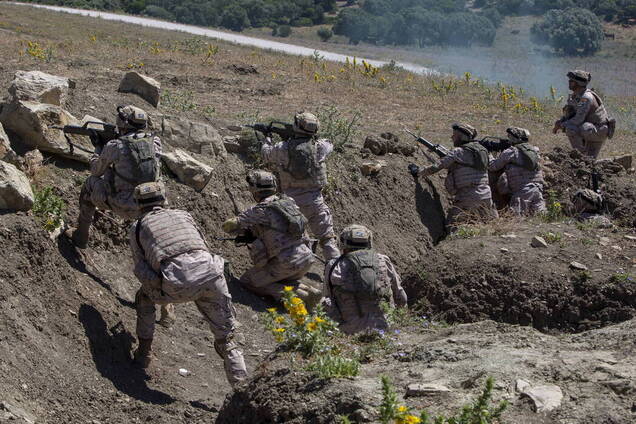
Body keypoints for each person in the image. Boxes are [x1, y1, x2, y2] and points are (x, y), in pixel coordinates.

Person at [130, 182, 247, 385]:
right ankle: (242, 387)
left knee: (143, 298)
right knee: (226, 338)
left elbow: (141, 267)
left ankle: (144, 353)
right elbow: (203, 245)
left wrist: (158, 285)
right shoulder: (184, 215)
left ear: (138, 204)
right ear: (164, 199)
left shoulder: (138, 226)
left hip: (176, 283)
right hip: (211, 274)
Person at [67, 105, 161, 249]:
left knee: (90, 184)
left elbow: (95, 171)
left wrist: (98, 148)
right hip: (151, 205)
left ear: (122, 122)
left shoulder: (115, 146)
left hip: (122, 205)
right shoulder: (155, 142)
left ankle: (81, 235)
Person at [222, 170, 318, 302]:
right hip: (306, 258)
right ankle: (309, 290)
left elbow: (229, 226)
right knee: (278, 279)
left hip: (287, 262)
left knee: (248, 281)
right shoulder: (289, 202)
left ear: (254, 189)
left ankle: (301, 296)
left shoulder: (261, 209)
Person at [261, 112, 340, 260]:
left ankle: (296, 268)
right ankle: (337, 275)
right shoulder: (320, 147)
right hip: (315, 202)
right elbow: (330, 144)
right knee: (328, 239)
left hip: (290, 204)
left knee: (293, 238)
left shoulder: (282, 147)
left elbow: (266, 153)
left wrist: (268, 138)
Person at [409, 123, 498, 230]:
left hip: (467, 196)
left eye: (454, 135)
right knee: (486, 228)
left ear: (461, 137)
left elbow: (436, 167)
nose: (451, 137)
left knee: (451, 227)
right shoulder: (484, 152)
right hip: (486, 196)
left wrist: (418, 171)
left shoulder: (458, 152)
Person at [324, 224, 407, 334]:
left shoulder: (334, 265)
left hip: (350, 330)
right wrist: (401, 320)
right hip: (384, 326)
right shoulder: (383, 260)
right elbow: (401, 296)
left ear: (343, 243)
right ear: (369, 241)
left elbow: (328, 297)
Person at [553, 70, 614, 158]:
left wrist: (562, 125)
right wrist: (560, 121)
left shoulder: (586, 98)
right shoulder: (575, 96)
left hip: (598, 130)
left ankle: (580, 157)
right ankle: (584, 158)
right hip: (590, 129)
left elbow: (578, 119)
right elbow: (570, 114)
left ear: (578, 83)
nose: (569, 82)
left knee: (571, 128)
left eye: (571, 81)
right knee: (590, 162)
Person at [488, 127, 546, 215]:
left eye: (509, 137)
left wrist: (489, 156)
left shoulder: (511, 152)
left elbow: (493, 167)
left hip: (523, 191)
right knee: (541, 217)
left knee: (516, 218)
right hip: (537, 189)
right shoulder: (534, 150)